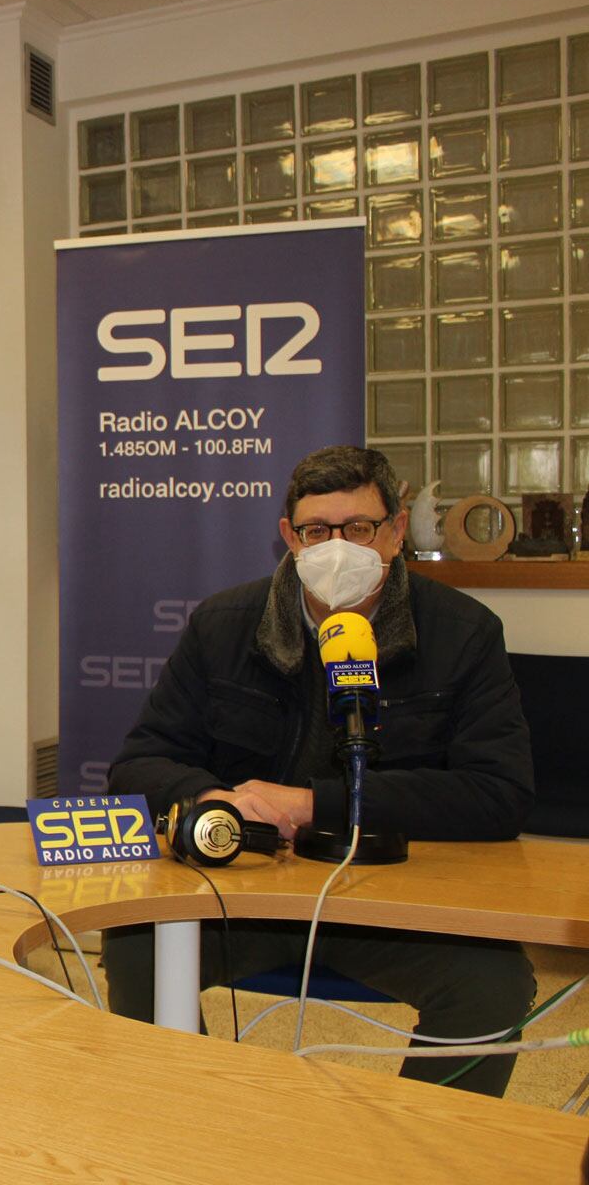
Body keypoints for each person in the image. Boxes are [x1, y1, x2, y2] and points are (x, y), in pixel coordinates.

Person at [104, 445, 536, 1097]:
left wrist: (313, 803)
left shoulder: (463, 633)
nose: (337, 547)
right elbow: (139, 763)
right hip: (248, 894)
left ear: (395, 530)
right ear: (289, 536)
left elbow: (498, 794)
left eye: (359, 529)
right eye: (316, 532)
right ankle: (185, 1127)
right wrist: (214, 800)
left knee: (493, 985)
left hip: (397, 902)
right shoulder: (224, 626)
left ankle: (430, 1150)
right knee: (136, 943)